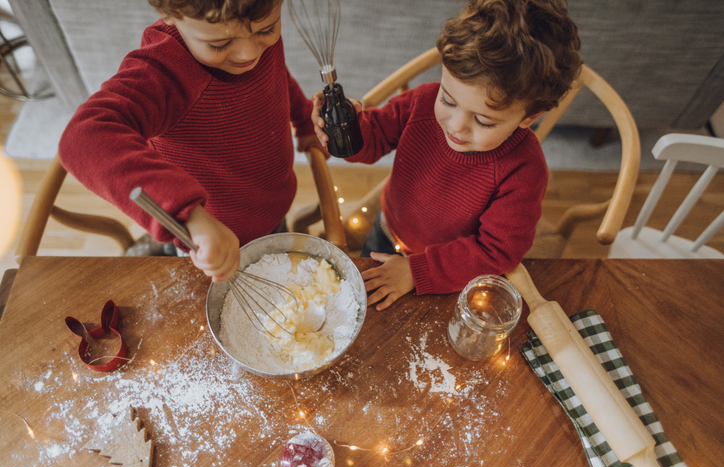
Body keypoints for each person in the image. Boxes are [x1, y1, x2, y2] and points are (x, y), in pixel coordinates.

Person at [312, 0, 582, 310]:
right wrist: (342, 132)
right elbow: (372, 140)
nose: (456, 126)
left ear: (529, 117)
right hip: (388, 230)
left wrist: (417, 271)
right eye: (448, 99)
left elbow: (496, 252)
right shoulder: (423, 102)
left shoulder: (523, 169)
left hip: (451, 269)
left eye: (483, 120)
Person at [58, 0, 322, 282]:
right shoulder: (164, 74)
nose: (249, 53)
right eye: (220, 44)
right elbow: (83, 136)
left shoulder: (251, 33)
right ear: (169, 15)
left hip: (271, 209)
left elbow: (274, 76)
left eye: (267, 30)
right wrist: (187, 215)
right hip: (209, 242)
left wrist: (303, 117)